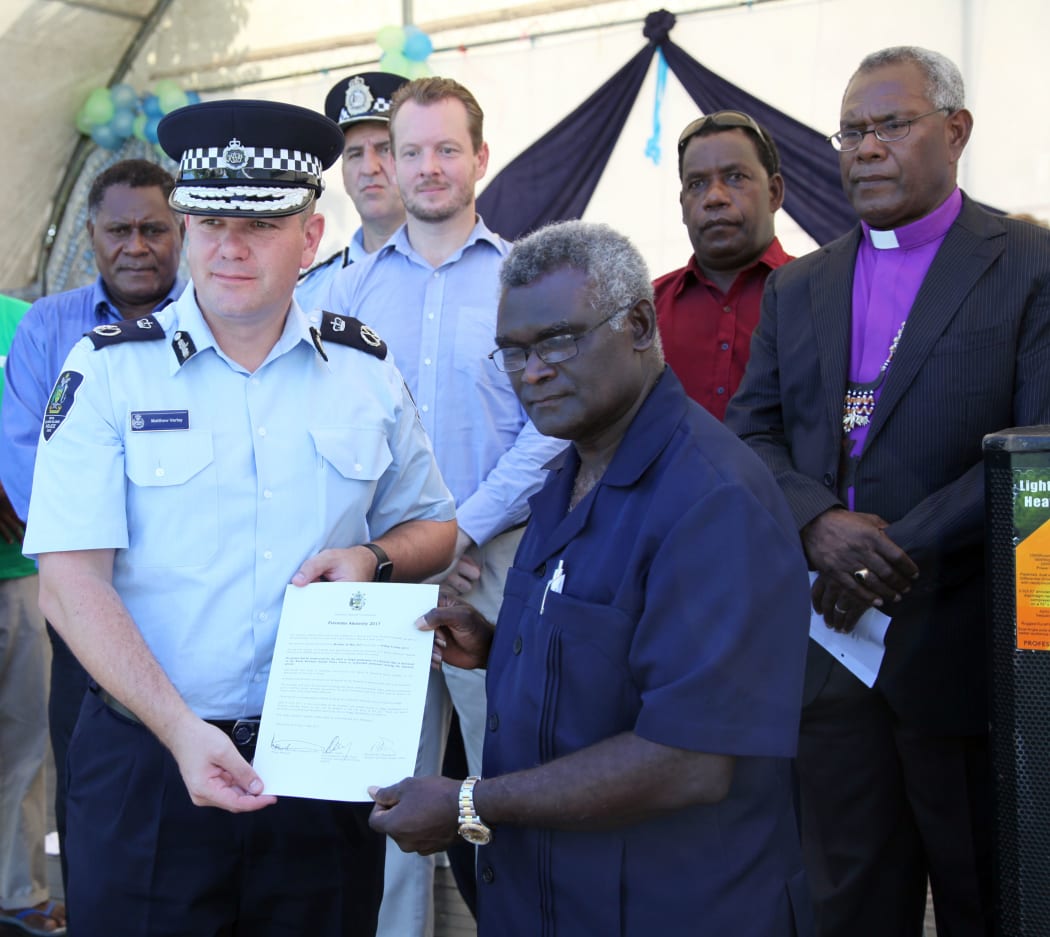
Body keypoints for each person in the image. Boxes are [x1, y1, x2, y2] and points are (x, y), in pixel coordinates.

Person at [21, 98, 457, 937]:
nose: (229, 245)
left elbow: (434, 526)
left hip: (318, 765)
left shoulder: (363, 369)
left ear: (311, 235)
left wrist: (375, 558)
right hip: (149, 761)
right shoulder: (109, 373)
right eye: (209, 219)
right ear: (185, 228)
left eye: (260, 224)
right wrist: (183, 731)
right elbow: (69, 585)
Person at [368, 220, 814, 937]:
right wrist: (501, 643)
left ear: (639, 324)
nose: (532, 371)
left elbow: (689, 757)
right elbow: (616, 645)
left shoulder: (712, 499)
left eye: (557, 341)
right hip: (551, 899)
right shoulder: (571, 470)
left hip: (674, 908)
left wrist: (468, 802)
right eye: (511, 352)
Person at [725, 46, 1050, 937]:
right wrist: (820, 522)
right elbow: (751, 433)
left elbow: (1036, 446)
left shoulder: (1029, 262)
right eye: (852, 131)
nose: (865, 148)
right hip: (830, 650)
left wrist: (884, 548)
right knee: (845, 904)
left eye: (890, 126)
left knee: (991, 895)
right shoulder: (799, 286)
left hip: (968, 646)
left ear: (956, 131)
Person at [326, 76, 564, 937]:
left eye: (445, 149)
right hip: (382, 574)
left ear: (480, 158)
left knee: (515, 784)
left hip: (501, 568)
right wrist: (406, 544)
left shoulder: (525, 279)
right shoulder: (343, 295)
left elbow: (554, 424)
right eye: (409, 150)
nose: (426, 168)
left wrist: (461, 527)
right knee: (386, 798)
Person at [0, 158, 184, 890]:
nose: (136, 245)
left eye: (153, 229)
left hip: (195, 598)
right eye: (119, 230)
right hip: (85, 606)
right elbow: (25, 463)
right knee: (88, 782)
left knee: (189, 783)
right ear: (91, 234)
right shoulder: (49, 327)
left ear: (182, 231)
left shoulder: (216, 313)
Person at [653, 110, 789, 420]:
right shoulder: (646, 311)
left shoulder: (822, 294)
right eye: (697, 184)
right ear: (683, 207)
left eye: (735, 177)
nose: (714, 197)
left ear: (774, 193)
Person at [0, 294, 66, 936]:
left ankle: (19, 889)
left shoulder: (27, 322)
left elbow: (59, 428)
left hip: (20, 571)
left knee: (23, 741)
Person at [294, 71, 408, 312]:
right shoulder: (312, 293)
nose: (369, 168)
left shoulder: (463, 275)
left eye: (384, 149)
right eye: (355, 154)